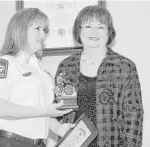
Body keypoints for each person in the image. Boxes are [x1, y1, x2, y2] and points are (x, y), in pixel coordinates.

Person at [0, 8, 74, 147]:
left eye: (45, 29)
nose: (43, 34)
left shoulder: (40, 69)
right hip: (9, 142)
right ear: (20, 30)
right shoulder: (4, 63)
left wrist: (59, 129)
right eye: (37, 28)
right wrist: (44, 111)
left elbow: (39, 111)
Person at [55, 5, 144, 147]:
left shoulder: (124, 67)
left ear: (109, 32)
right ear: (79, 31)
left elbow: (133, 115)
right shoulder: (66, 66)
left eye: (101, 27)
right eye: (88, 26)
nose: (94, 32)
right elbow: (60, 111)